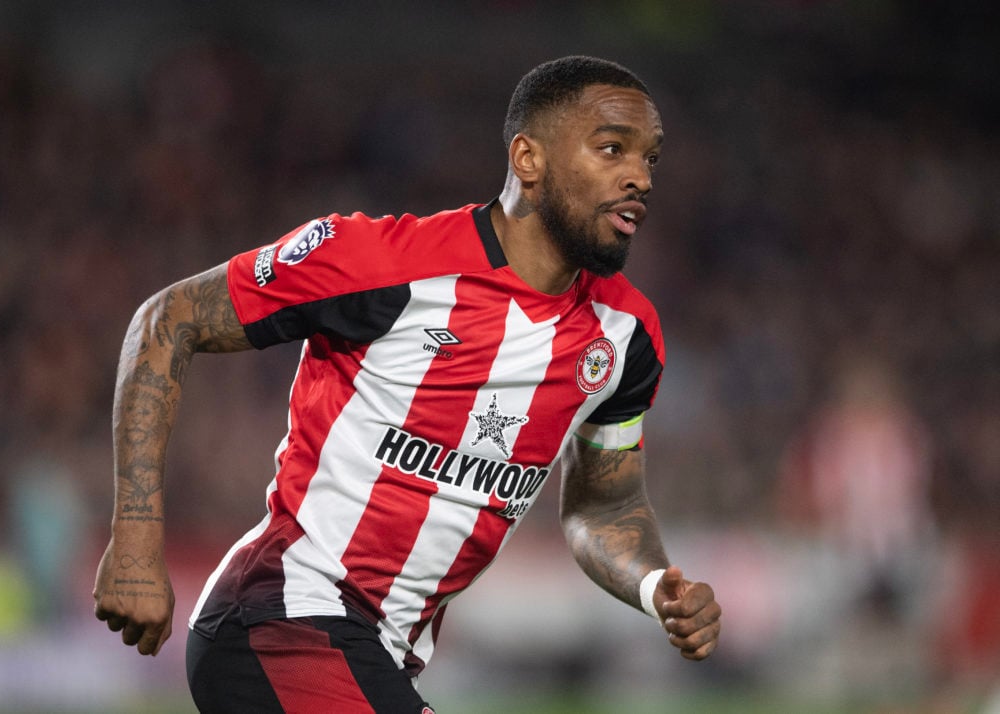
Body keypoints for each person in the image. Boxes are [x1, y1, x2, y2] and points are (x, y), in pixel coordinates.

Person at [93, 55, 722, 713]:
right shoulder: (383, 263)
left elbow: (606, 507)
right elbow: (169, 319)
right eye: (612, 148)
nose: (638, 178)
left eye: (650, 159)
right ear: (529, 160)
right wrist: (135, 537)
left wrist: (655, 586)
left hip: (379, 655)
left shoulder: (627, 335)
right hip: (281, 619)